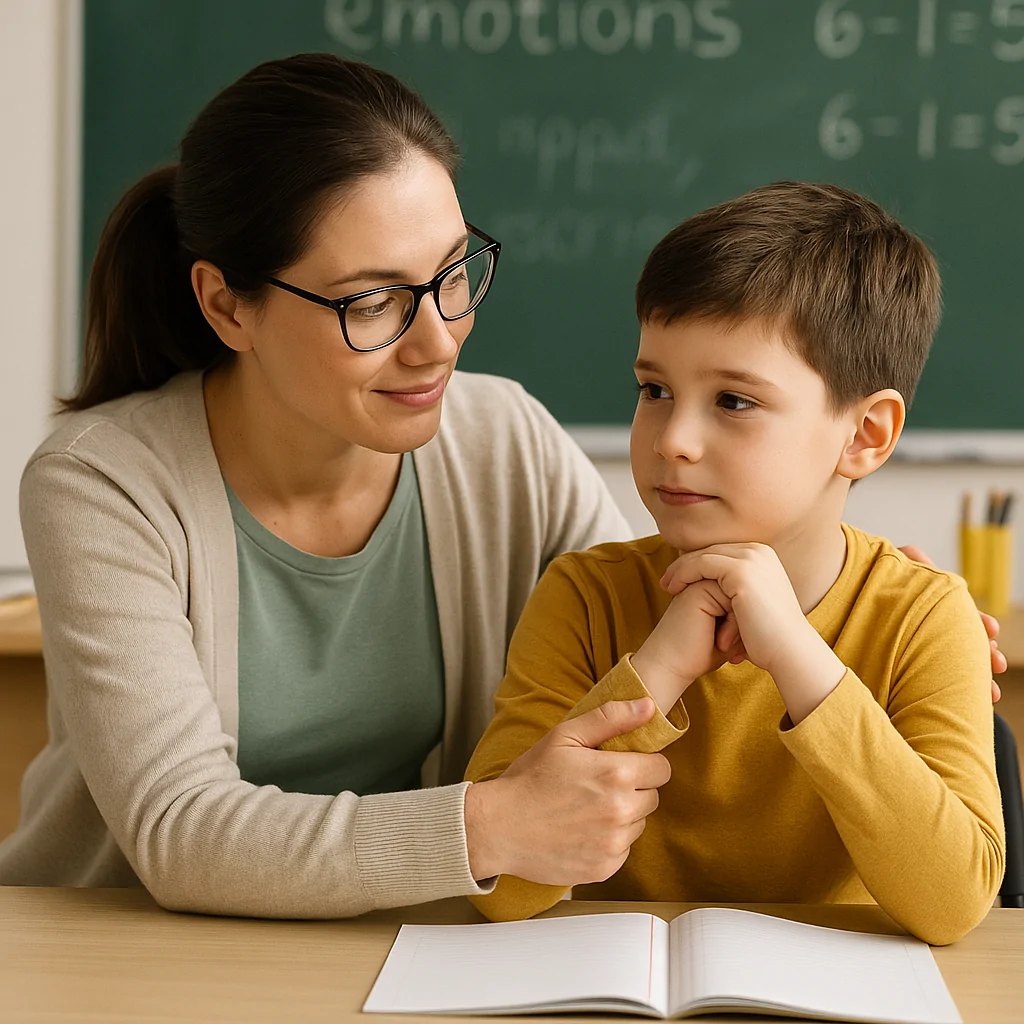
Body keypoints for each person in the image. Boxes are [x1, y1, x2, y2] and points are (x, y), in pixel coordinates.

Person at [0, 55, 1002, 919]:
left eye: (450, 274)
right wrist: (489, 825)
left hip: (407, 940)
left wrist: (867, 614)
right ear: (228, 304)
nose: (438, 339)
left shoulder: (499, 436)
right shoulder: (102, 482)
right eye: (372, 302)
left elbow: (677, 603)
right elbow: (179, 830)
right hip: (125, 941)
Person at [465, 182, 1006, 945]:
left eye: (734, 402)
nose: (673, 439)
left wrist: (796, 655)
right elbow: (502, 888)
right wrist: (657, 669)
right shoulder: (581, 597)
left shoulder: (925, 616)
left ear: (865, 435)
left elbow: (952, 904)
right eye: (653, 389)